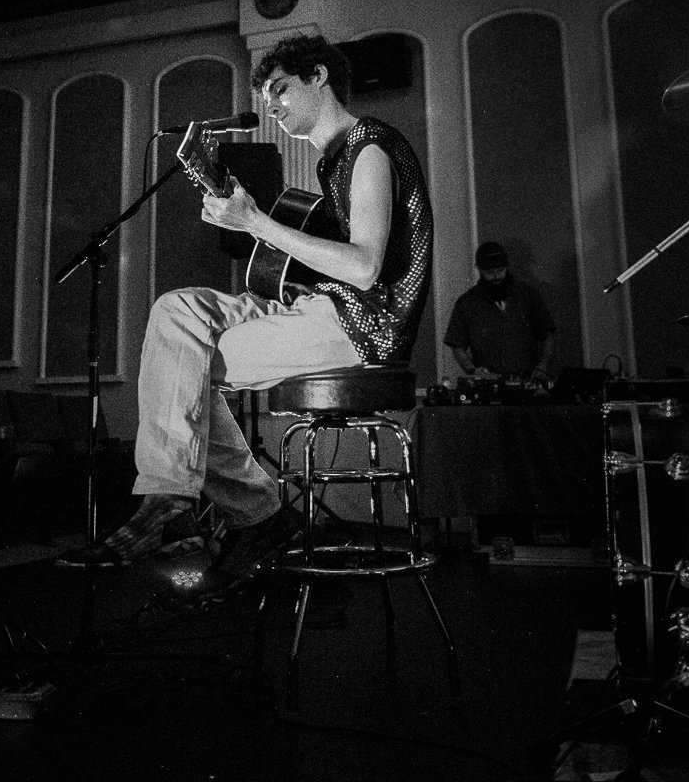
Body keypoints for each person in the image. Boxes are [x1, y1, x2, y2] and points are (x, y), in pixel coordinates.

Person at [57, 34, 434, 597]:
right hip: (318, 309)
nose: (272, 106)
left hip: (361, 327)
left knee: (185, 363)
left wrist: (255, 222)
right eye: (266, 95)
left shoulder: (370, 145)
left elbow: (362, 268)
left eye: (281, 89)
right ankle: (230, 504)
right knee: (174, 313)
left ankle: (191, 504)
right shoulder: (334, 163)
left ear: (320, 76)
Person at [443, 241, 555, 382]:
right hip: (489, 381)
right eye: (490, 272)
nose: (496, 276)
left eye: (500, 270)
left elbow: (547, 334)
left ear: (507, 267)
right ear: (480, 270)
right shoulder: (467, 303)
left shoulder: (528, 296)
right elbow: (457, 344)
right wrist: (473, 370)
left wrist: (542, 366)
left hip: (528, 378)